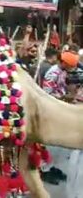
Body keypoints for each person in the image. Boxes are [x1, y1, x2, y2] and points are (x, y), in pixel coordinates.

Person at [41, 51, 79, 185]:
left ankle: (52, 166)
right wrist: (63, 98)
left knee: (61, 146)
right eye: (70, 66)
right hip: (52, 112)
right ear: (63, 63)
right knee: (52, 144)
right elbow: (46, 95)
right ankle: (45, 170)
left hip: (61, 109)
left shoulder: (62, 72)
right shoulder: (52, 73)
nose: (72, 69)